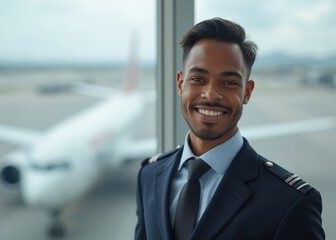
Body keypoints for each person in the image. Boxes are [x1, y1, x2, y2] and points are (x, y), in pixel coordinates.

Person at [135, 17, 325, 240]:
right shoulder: (149, 176)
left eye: (229, 83)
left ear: (247, 91)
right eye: (198, 78)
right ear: (180, 84)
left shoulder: (289, 201)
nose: (211, 95)